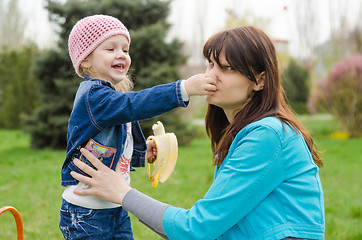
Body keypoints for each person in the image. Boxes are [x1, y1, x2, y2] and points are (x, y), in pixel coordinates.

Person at [70, 26, 325, 240]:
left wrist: (122, 193)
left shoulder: (268, 135)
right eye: (211, 64)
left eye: (227, 68)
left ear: (259, 80)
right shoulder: (246, 133)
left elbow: (196, 229)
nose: (210, 75)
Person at [60, 14, 217, 240]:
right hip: (86, 212)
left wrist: (141, 155)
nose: (121, 55)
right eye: (110, 48)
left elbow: (113, 147)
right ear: (85, 60)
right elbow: (135, 104)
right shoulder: (93, 96)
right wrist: (183, 88)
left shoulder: (111, 96)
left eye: (125, 49)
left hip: (115, 207)